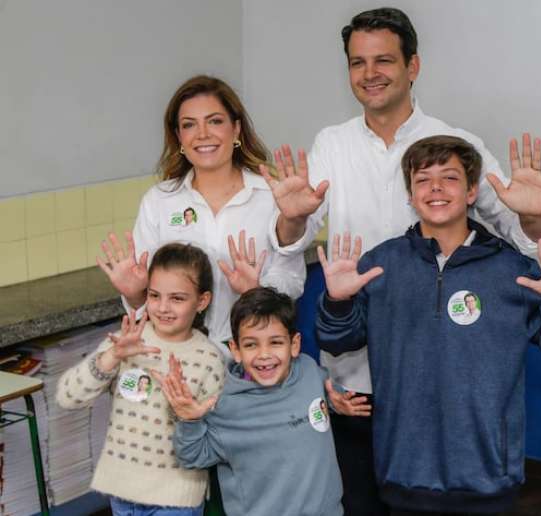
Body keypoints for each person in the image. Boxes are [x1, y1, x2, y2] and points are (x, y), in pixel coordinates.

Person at [262, 8, 541, 514]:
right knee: (364, 501)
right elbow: (288, 247)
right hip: (357, 377)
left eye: (384, 59)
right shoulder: (331, 145)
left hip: (441, 377)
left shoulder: (456, 143)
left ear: (413, 66)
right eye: (357, 63)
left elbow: (526, 233)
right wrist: (293, 220)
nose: (370, 73)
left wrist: (535, 219)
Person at [316, 135, 541, 514]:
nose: (436, 189)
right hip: (405, 473)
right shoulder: (381, 264)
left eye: (449, 178)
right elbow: (337, 339)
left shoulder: (511, 269)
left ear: (472, 191)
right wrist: (338, 300)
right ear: (410, 196)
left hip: (487, 477)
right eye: (423, 180)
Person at [97, 75, 305, 350]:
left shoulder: (271, 196)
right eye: (189, 125)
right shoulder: (159, 201)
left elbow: (292, 281)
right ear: (179, 137)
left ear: (237, 129)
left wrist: (256, 292)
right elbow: (148, 302)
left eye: (215, 121)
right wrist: (135, 295)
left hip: (254, 360)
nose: (203, 134)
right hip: (178, 360)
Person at [154, 287, 368, 516]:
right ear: (235, 350)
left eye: (275, 342)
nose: (264, 354)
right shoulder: (224, 405)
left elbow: (323, 390)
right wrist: (189, 419)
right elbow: (192, 456)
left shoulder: (308, 371)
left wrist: (336, 401)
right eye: (251, 345)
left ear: (294, 345)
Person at [56, 243, 226, 515]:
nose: (163, 307)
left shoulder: (209, 359)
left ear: (202, 301)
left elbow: (216, 443)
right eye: (154, 295)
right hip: (122, 494)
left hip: (175, 500)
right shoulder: (128, 341)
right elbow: (68, 397)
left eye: (178, 298)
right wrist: (112, 356)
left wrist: (187, 414)